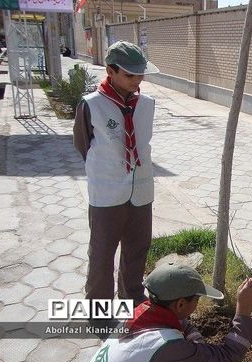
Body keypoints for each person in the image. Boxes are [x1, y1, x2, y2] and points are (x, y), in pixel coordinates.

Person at [85, 260, 252, 362]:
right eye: (196, 300)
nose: (198, 304)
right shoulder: (168, 345)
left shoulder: (141, 311)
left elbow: (181, 323)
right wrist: (242, 312)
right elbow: (230, 354)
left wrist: (197, 346)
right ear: (181, 304)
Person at [74, 41, 159, 306]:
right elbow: (82, 143)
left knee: (138, 247)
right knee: (101, 251)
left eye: (140, 73)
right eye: (130, 74)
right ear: (110, 71)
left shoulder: (147, 104)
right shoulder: (91, 105)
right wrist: (107, 168)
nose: (138, 80)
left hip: (141, 190)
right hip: (107, 190)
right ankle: (98, 305)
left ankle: (131, 295)